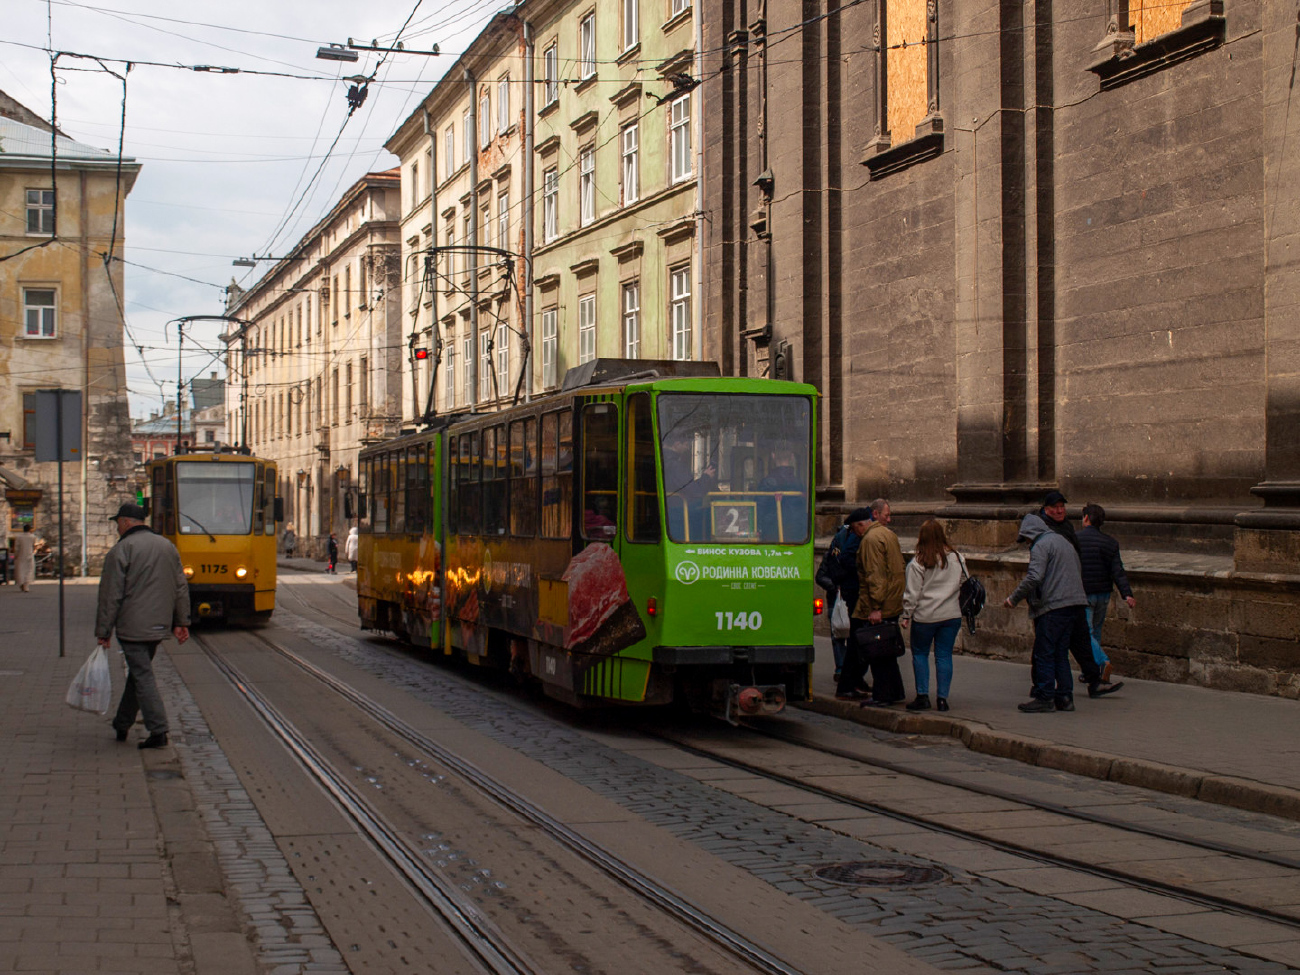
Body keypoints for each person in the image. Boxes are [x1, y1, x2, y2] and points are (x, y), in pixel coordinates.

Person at [1004, 507, 1122, 713]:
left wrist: (1013, 598)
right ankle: (1065, 697)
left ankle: (1045, 696)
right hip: (1074, 603)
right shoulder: (1063, 541)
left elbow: (1034, 577)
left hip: (1055, 605)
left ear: (1031, 533)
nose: (1028, 545)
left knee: (1045, 652)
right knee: (1059, 652)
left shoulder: (1041, 545)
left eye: (1027, 540)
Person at [96, 503, 190, 749]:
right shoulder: (167, 546)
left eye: (118, 522)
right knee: (138, 675)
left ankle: (158, 730)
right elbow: (180, 586)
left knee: (142, 675)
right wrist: (181, 621)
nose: (117, 526)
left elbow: (110, 595)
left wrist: (104, 631)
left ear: (126, 522)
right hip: (159, 624)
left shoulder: (121, 550)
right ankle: (122, 723)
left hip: (133, 627)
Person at [838, 498, 906, 706]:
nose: (855, 534)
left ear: (861, 525)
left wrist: (875, 607)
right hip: (892, 601)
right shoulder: (888, 534)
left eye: (855, 529)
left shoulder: (869, 540)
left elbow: (875, 576)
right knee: (887, 652)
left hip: (878, 605)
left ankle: (883, 694)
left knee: (878, 653)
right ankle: (894, 692)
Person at [901, 519, 964, 712]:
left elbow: (912, 592)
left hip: (926, 616)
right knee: (944, 656)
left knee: (920, 654)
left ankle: (923, 695)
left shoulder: (918, 562)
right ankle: (943, 699)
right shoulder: (957, 557)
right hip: (951, 614)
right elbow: (963, 580)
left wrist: (906, 614)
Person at [1079, 503, 1135, 684]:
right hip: (1103, 594)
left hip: (1084, 593)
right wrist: (1127, 594)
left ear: (1086, 517)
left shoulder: (1075, 540)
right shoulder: (1110, 542)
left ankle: (1102, 662)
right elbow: (1118, 571)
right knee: (1095, 632)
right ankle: (1093, 671)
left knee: (1085, 633)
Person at [817, 508, 871, 684]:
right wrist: (835, 587)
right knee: (839, 633)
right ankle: (841, 669)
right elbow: (821, 576)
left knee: (851, 636)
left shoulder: (847, 549)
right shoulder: (837, 553)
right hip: (838, 598)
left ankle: (849, 671)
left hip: (845, 596)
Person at [13, 524, 37, 593]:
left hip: (21, 555)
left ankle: (21, 583)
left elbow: (17, 547)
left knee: (20, 570)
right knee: (29, 570)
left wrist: (15, 555)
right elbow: (34, 546)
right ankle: (26, 584)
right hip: (29, 555)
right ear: (30, 529)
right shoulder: (33, 537)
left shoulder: (19, 537)